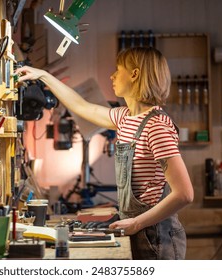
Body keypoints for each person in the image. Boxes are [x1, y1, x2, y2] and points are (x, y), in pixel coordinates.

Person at [15, 47, 194, 260]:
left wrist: (136, 223)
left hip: (156, 236)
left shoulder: (157, 126)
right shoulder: (125, 118)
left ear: (135, 75)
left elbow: (184, 194)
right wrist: (43, 76)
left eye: (118, 70)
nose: (113, 75)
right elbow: (81, 106)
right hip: (138, 230)